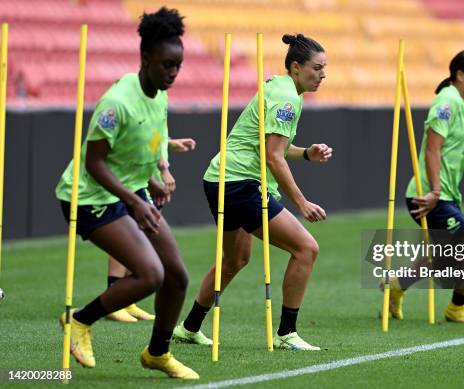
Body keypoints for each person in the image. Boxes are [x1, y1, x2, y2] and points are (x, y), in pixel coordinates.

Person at [55, 7, 198, 379]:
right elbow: (95, 164)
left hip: (129, 190)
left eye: (178, 66)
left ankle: (157, 353)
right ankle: (79, 322)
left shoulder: (160, 95)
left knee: (177, 276)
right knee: (151, 274)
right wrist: (135, 199)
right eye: (167, 64)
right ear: (146, 57)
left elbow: (144, 142)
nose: (173, 73)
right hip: (88, 196)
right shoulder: (117, 102)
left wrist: (152, 178)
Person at [172, 33, 331, 351]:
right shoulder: (286, 97)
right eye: (317, 68)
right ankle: (287, 333)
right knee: (306, 249)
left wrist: (306, 153)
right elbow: (273, 157)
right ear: (297, 67)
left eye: (325, 68)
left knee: (235, 259)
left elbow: (275, 148)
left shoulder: (285, 90)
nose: (323, 74)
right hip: (239, 184)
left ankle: (189, 328)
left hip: (221, 179)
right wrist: (301, 202)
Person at [387, 50, 464, 325]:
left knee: (440, 255)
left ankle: (395, 287)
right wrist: (434, 192)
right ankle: (458, 307)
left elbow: (459, 140)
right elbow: (432, 150)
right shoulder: (446, 102)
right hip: (428, 195)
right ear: (460, 75)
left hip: (447, 194)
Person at [106, 136, 196, 323]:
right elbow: (143, 137)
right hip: (139, 175)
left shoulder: (158, 106)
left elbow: (155, 135)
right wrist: (163, 170)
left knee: (142, 234)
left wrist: (169, 142)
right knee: (129, 230)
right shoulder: (141, 107)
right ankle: (113, 298)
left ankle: (126, 299)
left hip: (147, 174)